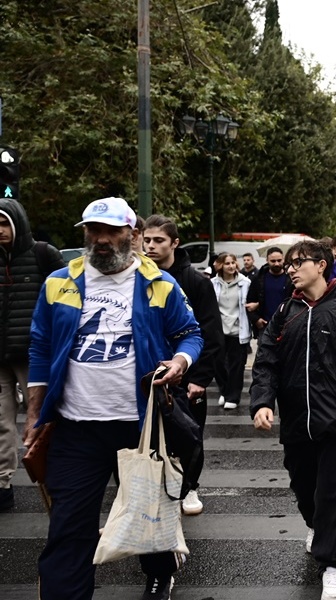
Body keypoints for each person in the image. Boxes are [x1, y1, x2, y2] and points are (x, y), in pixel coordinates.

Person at [23, 196, 203, 600]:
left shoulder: (160, 283)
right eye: (93, 231)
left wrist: (180, 361)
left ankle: (159, 572)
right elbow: (40, 345)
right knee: (68, 528)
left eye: (110, 231)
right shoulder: (58, 282)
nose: (100, 240)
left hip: (139, 429)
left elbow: (190, 333)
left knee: (149, 517)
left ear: (133, 235)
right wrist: (35, 412)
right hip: (75, 429)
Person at [250, 240, 336, 600]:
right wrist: (263, 401)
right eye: (288, 264)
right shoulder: (285, 312)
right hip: (296, 424)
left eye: (298, 262)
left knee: (333, 495)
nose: (290, 269)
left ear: (321, 265)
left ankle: (334, 564)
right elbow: (266, 361)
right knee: (305, 489)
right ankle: (316, 527)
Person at [142, 214, 224, 516]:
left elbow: (210, 332)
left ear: (175, 243)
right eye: (147, 240)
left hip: (188, 376)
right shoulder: (139, 278)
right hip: (152, 375)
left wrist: (199, 378)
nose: (150, 246)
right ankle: (158, 487)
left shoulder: (196, 282)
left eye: (158, 240)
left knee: (190, 434)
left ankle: (190, 486)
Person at [0, 198, 65, 512]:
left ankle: (58, 479)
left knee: (43, 419)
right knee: (1, 422)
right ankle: (2, 484)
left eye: (4, 223)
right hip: (0, 357)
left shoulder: (42, 254)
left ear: (17, 224)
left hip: (33, 354)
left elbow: (65, 297)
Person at [210, 252, 252, 410]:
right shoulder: (213, 283)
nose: (231, 266)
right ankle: (225, 391)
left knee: (236, 366)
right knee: (218, 364)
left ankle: (233, 396)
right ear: (220, 265)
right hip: (219, 330)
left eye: (233, 263)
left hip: (238, 330)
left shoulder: (245, 282)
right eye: (227, 263)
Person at [249, 247, 290, 337]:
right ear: (267, 260)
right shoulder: (258, 279)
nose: (277, 264)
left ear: (283, 259)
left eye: (279, 260)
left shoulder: (290, 279)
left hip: (286, 326)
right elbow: (249, 303)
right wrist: (256, 319)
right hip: (265, 326)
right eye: (273, 261)